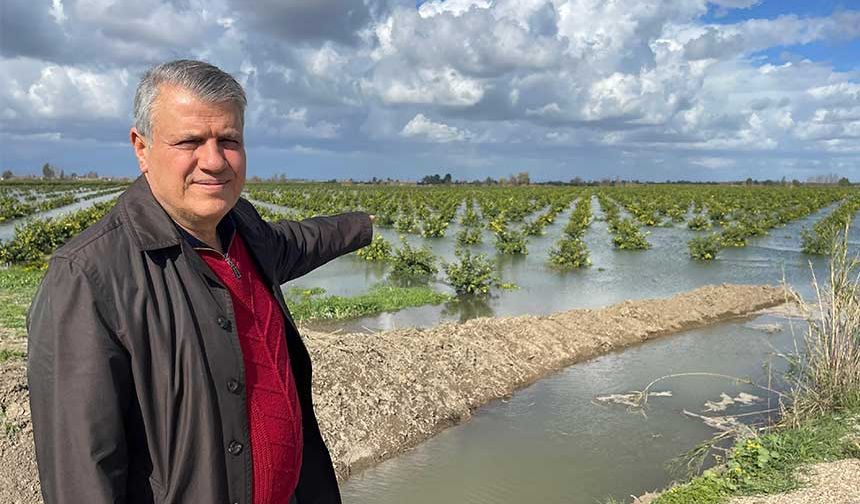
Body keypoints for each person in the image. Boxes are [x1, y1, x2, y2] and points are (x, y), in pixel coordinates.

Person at [27, 59, 373, 504]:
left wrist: (363, 225)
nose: (213, 161)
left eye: (228, 140)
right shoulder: (88, 277)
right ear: (141, 147)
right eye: (190, 141)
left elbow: (297, 242)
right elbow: (83, 473)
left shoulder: (241, 227)